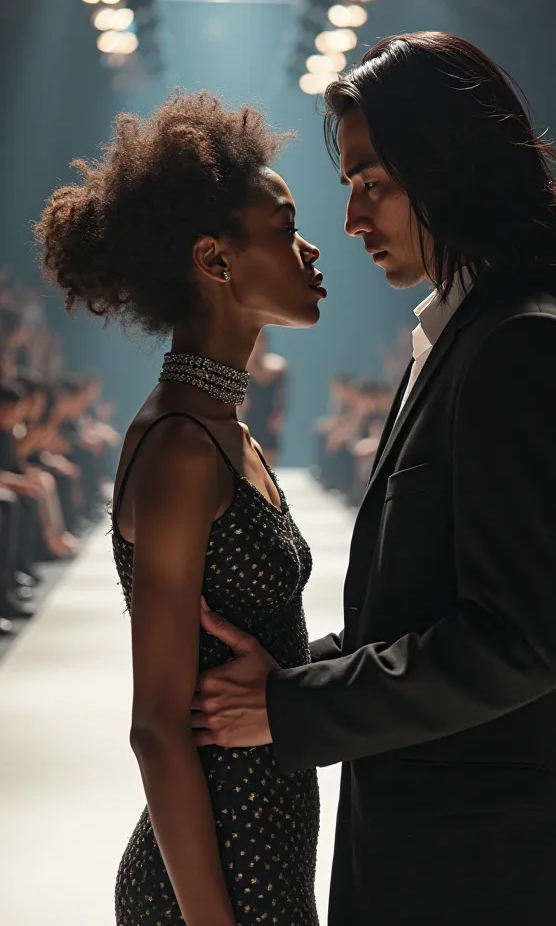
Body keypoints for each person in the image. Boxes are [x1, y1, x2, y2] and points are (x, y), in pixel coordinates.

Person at [194, 33, 556, 926]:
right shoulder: (472, 334)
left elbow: (513, 643)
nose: (352, 220)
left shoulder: (523, 343)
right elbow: (419, 613)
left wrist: (291, 706)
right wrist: (290, 674)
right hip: (449, 850)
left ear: (448, 167)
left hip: (489, 875)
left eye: (371, 184)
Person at [35, 92, 326, 926]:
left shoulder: (220, 430)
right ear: (215, 257)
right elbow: (157, 728)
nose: (310, 249)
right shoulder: (179, 450)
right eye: (283, 226)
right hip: (213, 885)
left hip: (260, 848)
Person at [238, 329, 288, 466]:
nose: (258, 345)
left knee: (269, 467)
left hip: (268, 420)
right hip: (250, 419)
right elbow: (240, 400)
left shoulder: (278, 366)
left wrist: (279, 416)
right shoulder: (242, 365)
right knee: (250, 463)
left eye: (260, 340)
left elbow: (283, 397)